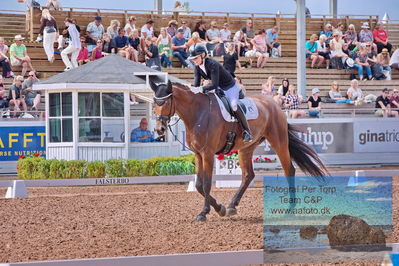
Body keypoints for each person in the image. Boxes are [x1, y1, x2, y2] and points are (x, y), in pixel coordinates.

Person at [188, 45, 252, 142]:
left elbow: (214, 84)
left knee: (234, 106)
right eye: (192, 59)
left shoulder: (212, 64)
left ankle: (247, 131)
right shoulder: (197, 68)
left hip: (230, 87)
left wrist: (201, 88)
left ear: (203, 55)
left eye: (195, 58)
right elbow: (196, 84)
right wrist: (192, 89)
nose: (194, 61)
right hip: (219, 88)